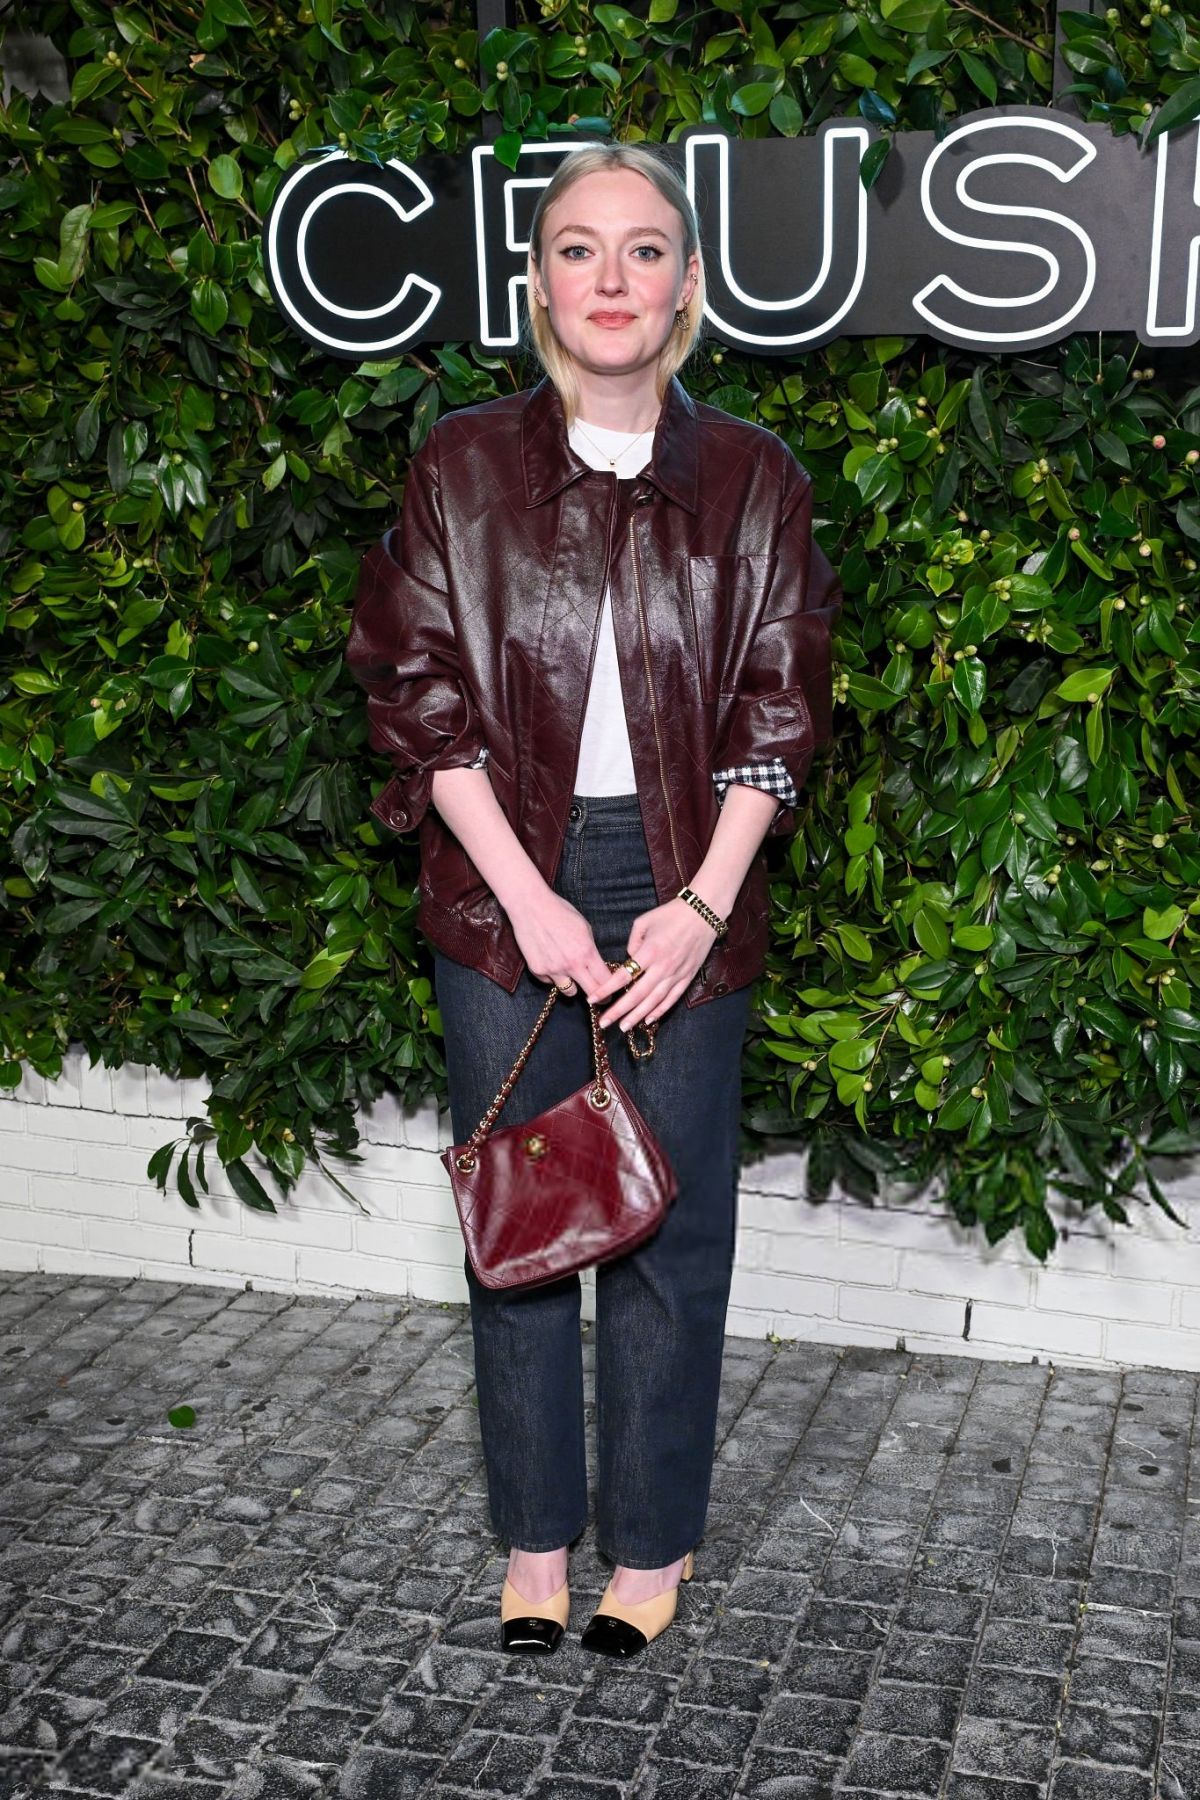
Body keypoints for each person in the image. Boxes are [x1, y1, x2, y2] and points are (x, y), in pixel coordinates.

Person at [345, 140, 841, 1658]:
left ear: (687, 286)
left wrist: (700, 908)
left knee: (669, 1235)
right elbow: (417, 700)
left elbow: (779, 711)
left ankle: (652, 1545)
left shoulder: (752, 477)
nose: (611, 279)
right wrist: (529, 902)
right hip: (505, 881)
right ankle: (536, 1539)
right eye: (578, 248)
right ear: (540, 283)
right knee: (525, 1219)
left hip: (688, 879)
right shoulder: (460, 468)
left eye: (643, 250)